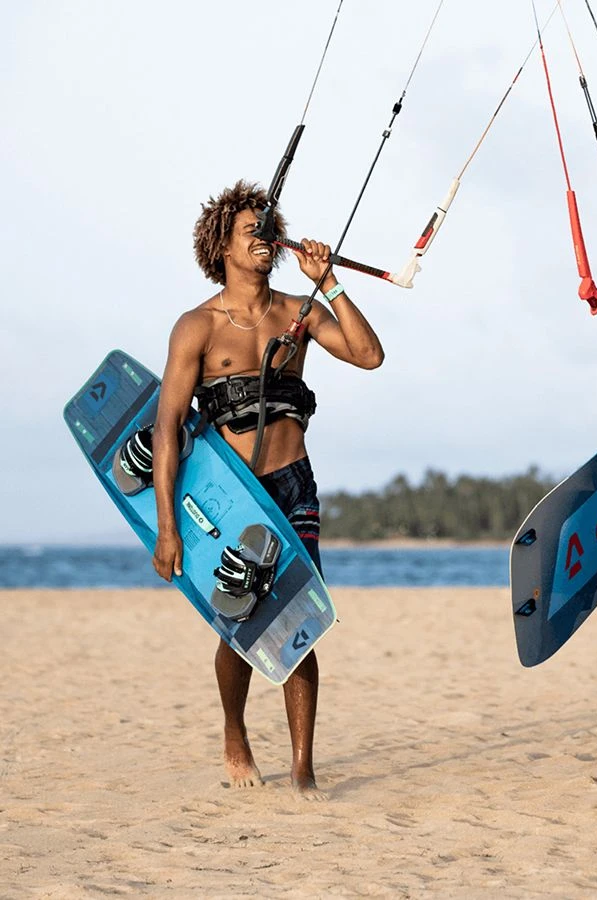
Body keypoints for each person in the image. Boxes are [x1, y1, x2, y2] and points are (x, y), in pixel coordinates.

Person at [150, 180, 384, 798]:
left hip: (293, 483)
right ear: (222, 246)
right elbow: (166, 428)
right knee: (239, 622)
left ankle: (303, 767)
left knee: (300, 620)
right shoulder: (196, 327)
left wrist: (328, 282)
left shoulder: (297, 312)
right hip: (233, 495)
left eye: (267, 228)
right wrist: (168, 527)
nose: (262, 237)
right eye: (249, 230)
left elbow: (369, 355)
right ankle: (235, 731)